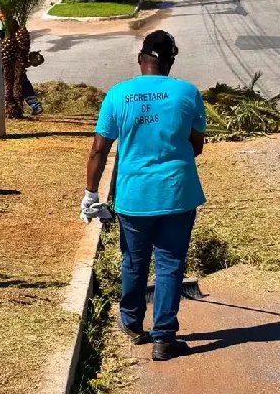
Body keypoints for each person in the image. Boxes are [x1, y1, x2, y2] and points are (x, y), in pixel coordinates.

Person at [81, 31, 206, 361]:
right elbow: (196, 147)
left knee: (134, 260)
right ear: (171, 61)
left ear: (141, 59)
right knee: (170, 263)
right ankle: (164, 338)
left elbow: (98, 149)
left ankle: (132, 323)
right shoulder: (188, 93)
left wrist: (91, 193)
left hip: (134, 196)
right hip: (177, 193)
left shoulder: (118, 95)